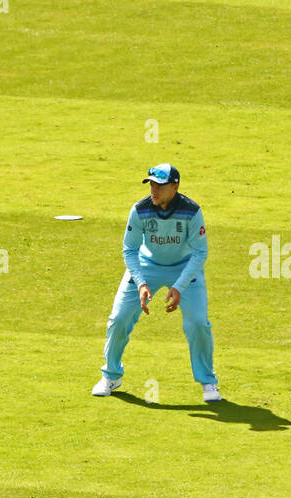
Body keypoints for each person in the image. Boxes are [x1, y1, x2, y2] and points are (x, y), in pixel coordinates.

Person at [92, 164, 220, 402]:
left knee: (198, 322)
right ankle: (110, 375)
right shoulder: (139, 210)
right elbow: (129, 249)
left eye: (160, 185)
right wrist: (140, 283)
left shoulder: (192, 211)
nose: (154, 190)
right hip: (146, 266)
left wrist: (178, 286)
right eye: (151, 184)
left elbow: (200, 253)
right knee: (119, 318)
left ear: (175, 186)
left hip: (184, 267)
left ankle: (208, 382)